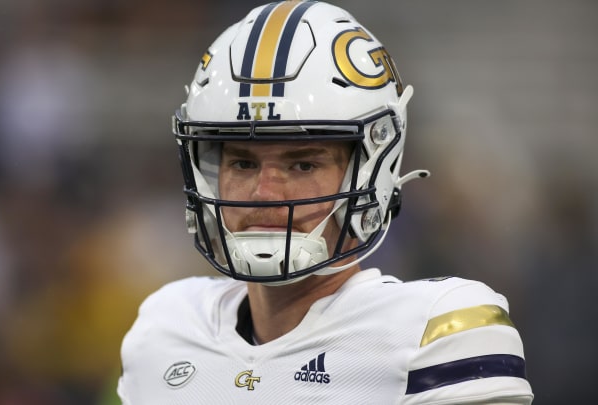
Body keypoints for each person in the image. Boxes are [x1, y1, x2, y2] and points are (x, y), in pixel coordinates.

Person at [118, 1, 533, 403]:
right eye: (243, 163)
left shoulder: (437, 334)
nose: (265, 194)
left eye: (302, 165)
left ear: (372, 172)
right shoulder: (165, 330)